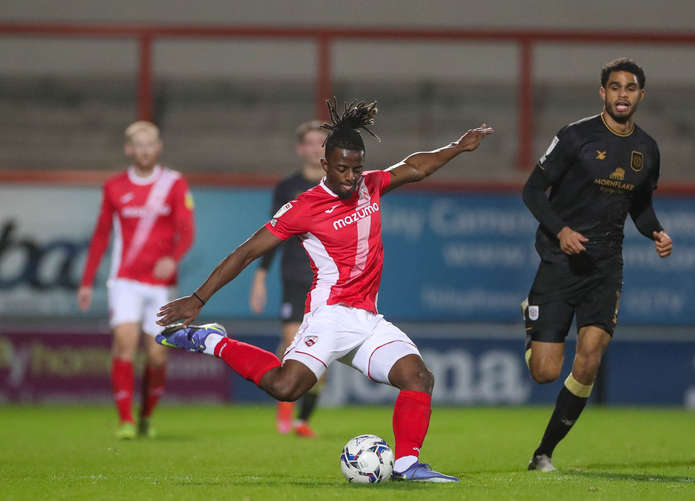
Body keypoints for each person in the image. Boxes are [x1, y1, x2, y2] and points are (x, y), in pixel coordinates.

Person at [155, 99, 493, 482]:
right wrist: (198, 298)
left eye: (357, 168)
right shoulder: (304, 207)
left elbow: (415, 167)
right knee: (286, 387)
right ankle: (211, 341)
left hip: (367, 319)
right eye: (343, 169)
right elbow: (247, 252)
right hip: (329, 316)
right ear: (326, 165)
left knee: (418, 377)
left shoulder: (371, 185)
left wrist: (458, 147)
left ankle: (406, 465)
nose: (351, 177)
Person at [521, 58, 673, 472]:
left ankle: (544, 452)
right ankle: (532, 320)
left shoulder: (647, 149)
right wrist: (562, 230)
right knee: (545, 372)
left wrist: (656, 231)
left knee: (590, 357)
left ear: (641, 94)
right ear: (602, 92)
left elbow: (640, 206)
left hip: (605, 267)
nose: (622, 94)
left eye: (630, 87)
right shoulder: (575, 136)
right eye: (615, 87)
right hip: (559, 261)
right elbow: (532, 191)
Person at [78, 121, 195, 439]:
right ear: (128, 149)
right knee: (124, 344)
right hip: (125, 281)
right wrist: (87, 281)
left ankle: (146, 415)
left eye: (150, 144)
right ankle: (126, 420)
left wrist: (173, 257)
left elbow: (187, 230)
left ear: (158, 147)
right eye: (138, 145)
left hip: (161, 285)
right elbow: (101, 235)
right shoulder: (114, 186)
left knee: (157, 353)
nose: (144, 150)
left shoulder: (174, 183)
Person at [249, 120, 328, 437]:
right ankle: (285, 412)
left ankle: (303, 421)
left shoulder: (341, 184)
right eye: (310, 142)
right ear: (300, 148)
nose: (315, 148)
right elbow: (274, 233)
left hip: (329, 281)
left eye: (321, 143)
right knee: (293, 344)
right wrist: (260, 275)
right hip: (295, 276)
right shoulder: (287, 187)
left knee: (323, 353)